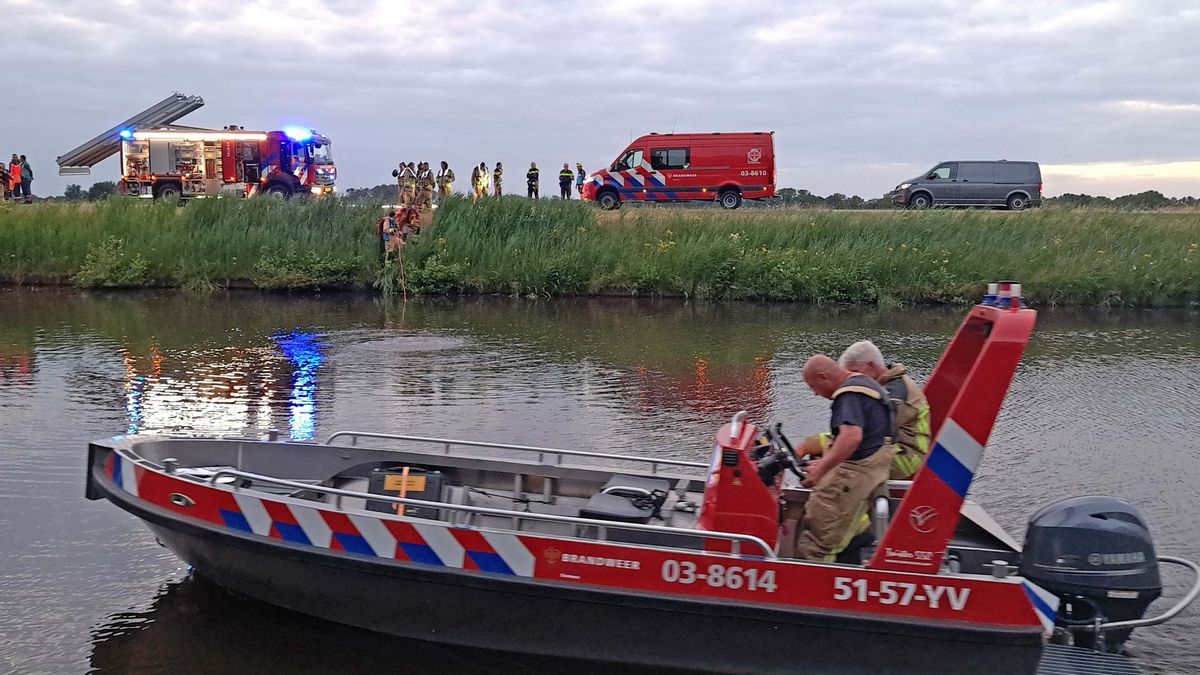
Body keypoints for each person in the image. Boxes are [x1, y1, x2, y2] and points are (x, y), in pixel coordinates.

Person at [794, 355, 895, 562]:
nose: (814, 394)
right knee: (848, 526)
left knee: (816, 539)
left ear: (824, 376)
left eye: (813, 387)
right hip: (870, 469)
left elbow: (851, 436)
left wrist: (821, 471)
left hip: (856, 475)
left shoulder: (848, 395)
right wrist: (823, 462)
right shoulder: (865, 383)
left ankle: (812, 585)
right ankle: (852, 554)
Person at [838, 341, 930, 480]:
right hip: (897, 448)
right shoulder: (884, 386)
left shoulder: (894, 395)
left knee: (840, 466)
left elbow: (868, 434)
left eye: (855, 373)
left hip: (905, 457)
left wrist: (821, 444)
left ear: (871, 366)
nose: (851, 380)